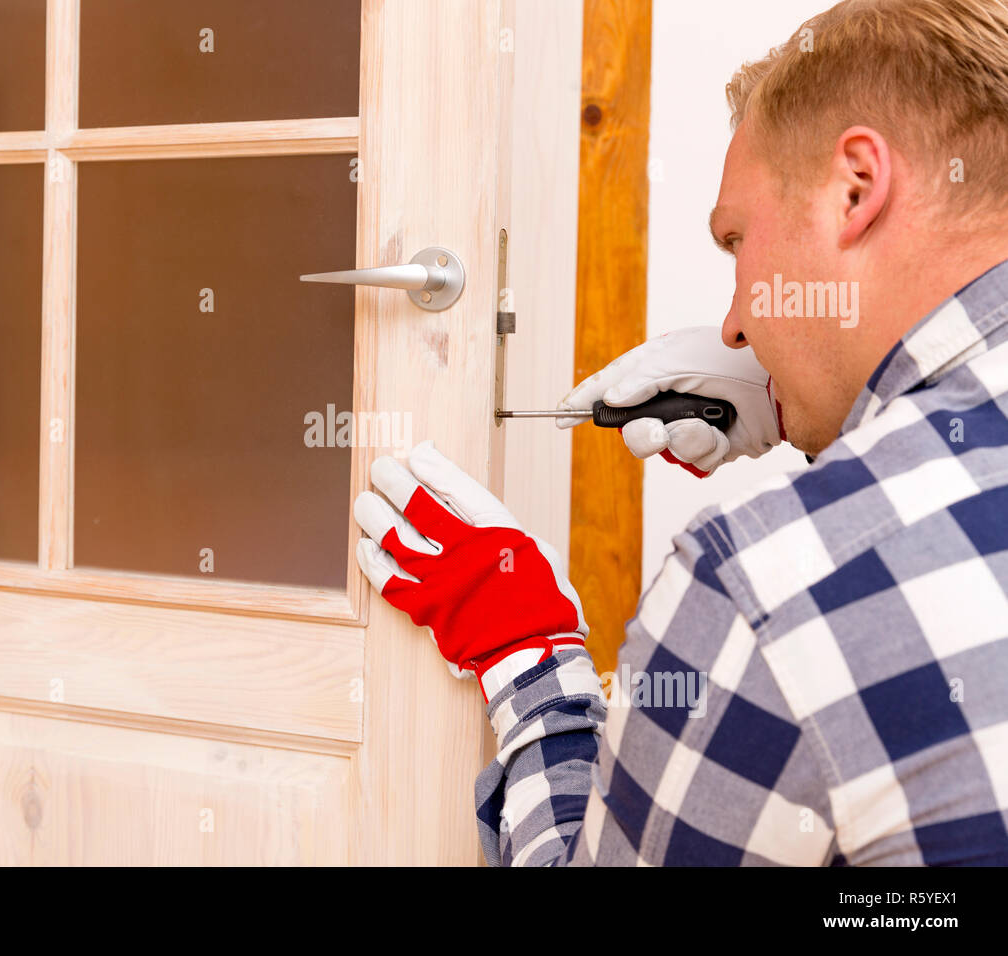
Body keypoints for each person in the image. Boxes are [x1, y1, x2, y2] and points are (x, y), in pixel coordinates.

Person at [353, 0, 1008, 865]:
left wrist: (530, 658)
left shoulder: (761, 598)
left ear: (855, 188)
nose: (735, 325)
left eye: (736, 241)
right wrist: (817, 409)